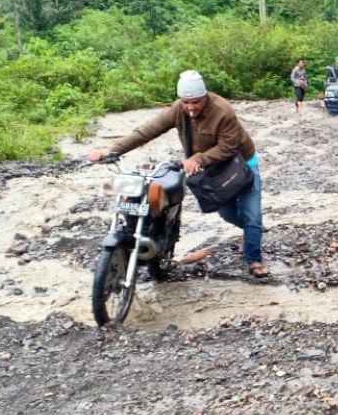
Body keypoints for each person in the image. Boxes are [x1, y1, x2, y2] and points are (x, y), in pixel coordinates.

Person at [87, 70, 270, 278]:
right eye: (186, 102)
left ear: (205, 97)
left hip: (241, 163)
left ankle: (254, 258)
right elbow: (147, 130)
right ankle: (251, 231)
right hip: (212, 166)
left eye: (196, 102)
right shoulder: (178, 110)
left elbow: (228, 148)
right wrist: (112, 150)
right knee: (226, 213)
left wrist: (197, 159)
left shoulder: (223, 111)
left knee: (252, 214)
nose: (191, 107)